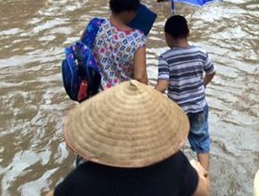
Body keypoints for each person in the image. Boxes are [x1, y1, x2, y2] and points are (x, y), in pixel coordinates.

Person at [44, 81, 210, 196]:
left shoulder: (83, 179)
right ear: (151, 130)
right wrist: (197, 172)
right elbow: (203, 192)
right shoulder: (175, 166)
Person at [155, 15, 216, 172]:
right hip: (199, 107)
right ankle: (204, 180)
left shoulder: (165, 58)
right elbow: (211, 72)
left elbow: (162, 86)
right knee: (202, 142)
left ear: (167, 36)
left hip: (177, 110)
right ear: (188, 32)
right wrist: (202, 85)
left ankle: (176, 178)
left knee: (174, 143)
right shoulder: (200, 52)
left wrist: (149, 97)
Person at [92, 0, 147, 89]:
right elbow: (140, 78)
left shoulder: (95, 25)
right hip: (122, 99)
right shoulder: (137, 38)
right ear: (130, 12)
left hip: (94, 97)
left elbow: (81, 52)